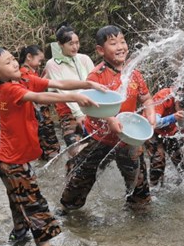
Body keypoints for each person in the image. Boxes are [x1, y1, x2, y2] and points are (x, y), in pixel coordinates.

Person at [0, 46, 105, 246]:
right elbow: (40, 97)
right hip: (12, 162)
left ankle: (18, 236)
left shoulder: (24, 78)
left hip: (11, 159)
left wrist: (86, 84)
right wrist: (74, 97)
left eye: (12, 59)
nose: (14, 63)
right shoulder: (8, 89)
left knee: (19, 203)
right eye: (7, 63)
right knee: (34, 204)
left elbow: (57, 84)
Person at [60, 25, 156, 212]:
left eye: (122, 41)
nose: (120, 46)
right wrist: (110, 118)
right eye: (113, 43)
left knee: (138, 183)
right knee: (83, 176)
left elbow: (146, 98)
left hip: (128, 138)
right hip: (99, 138)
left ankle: (139, 209)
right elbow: (89, 105)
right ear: (100, 50)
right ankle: (68, 210)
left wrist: (150, 114)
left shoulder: (133, 73)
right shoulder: (96, 76)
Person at [43, 23, 96, 149]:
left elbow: (94, 82)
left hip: (89, 108)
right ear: (60, 44)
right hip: (67, 111)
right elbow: (62, 90)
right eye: (70, 44)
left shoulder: (84, 59)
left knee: (93, 149)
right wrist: (78, 113)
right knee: (74, 149)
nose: (75, 47)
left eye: (77, 43)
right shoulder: (52, 64)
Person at [19, 45, 60, 160]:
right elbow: (34, 93)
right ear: (29, 57)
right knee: (50, 147)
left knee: (44, 146)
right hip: (38, 116)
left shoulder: (30, 72)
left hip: (40, 115)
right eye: (40, 60)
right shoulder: (24, 74)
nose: (40, 63)